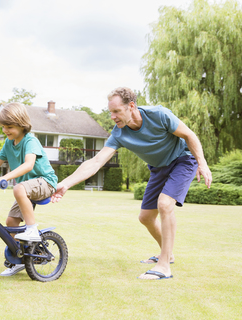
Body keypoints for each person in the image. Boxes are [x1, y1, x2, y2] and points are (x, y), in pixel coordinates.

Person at [51, 87, 212, 280]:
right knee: (145, 217)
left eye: (117, 111)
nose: (112, 117)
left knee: (164, 204)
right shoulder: (119, 134)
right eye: (110, 112)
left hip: (182, 159)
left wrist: (202, 163)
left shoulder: (159, 115)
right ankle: (167, 254)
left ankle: (163, 267)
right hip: (158, 167)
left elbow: (189, 135)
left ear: (131, 106)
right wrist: (66, 183)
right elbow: (95, 162)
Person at [0, 102, 58, 277]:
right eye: (3, 127)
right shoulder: (9, 143)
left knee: (18, 188)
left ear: (22, 124)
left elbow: (28, 164)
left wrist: (4, 178)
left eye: (9, 127)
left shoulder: (30, 140)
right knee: (11, 222)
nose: (5, 131)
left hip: (45, 183)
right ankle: (19, 259)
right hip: (26, 188)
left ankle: (31, 229)